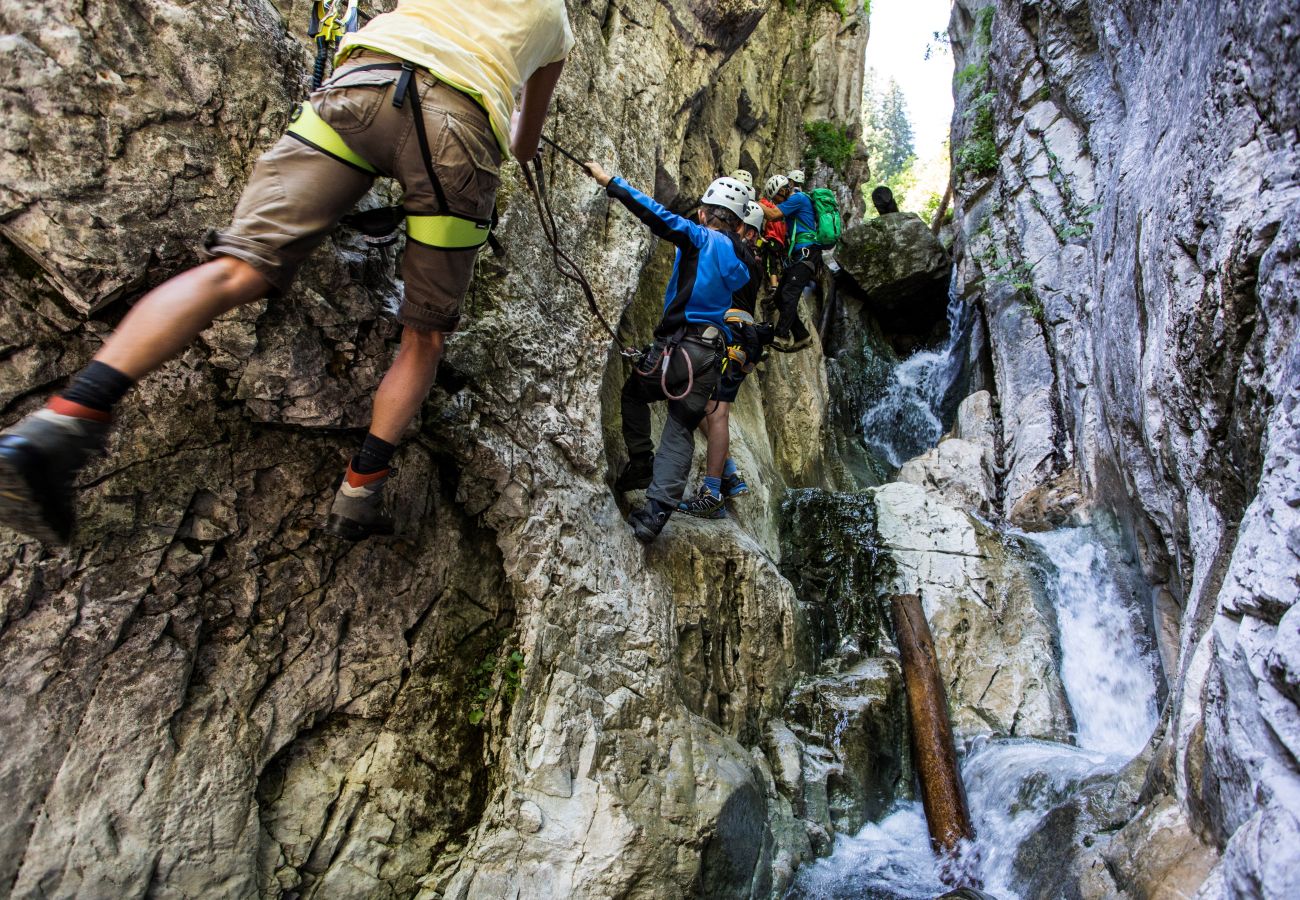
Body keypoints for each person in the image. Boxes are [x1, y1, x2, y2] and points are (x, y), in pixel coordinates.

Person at [0, 2, 574, 546]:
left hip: (360, 86)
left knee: (236, 268)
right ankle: (358, 493)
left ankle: (61, 422)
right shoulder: (557, 24)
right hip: (459, 134)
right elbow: (524, 145)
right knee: (423, 335)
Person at [588, 165, 752, 543]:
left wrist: (611, 182)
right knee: (680, 427)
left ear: (704, 213)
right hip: (710, 356)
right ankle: (654, 517)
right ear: (740, 225)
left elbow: (656, 216)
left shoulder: (698, 237)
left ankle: (642, 462)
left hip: (679, 347)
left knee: (633, 394)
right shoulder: (742, 259)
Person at [679, 200, 770, 519]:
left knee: (713, 411)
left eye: (736, 223)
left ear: (744, 228)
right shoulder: (753, 256)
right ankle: (727, 475)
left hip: (732, 337)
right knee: (698, 404)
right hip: (745, 339)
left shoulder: (737, 252)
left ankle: (714, 490)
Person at [761, 173, 820, 352]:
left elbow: (771, 214)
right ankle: (802, 336)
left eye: (777, 197)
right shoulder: (792, 205)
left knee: (789, 293)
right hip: (798, 257)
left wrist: (755, 202)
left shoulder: (798, 199)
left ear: (784, 190)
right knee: (779, 297)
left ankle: (782, 335)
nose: (776, 202)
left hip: (807, 253)